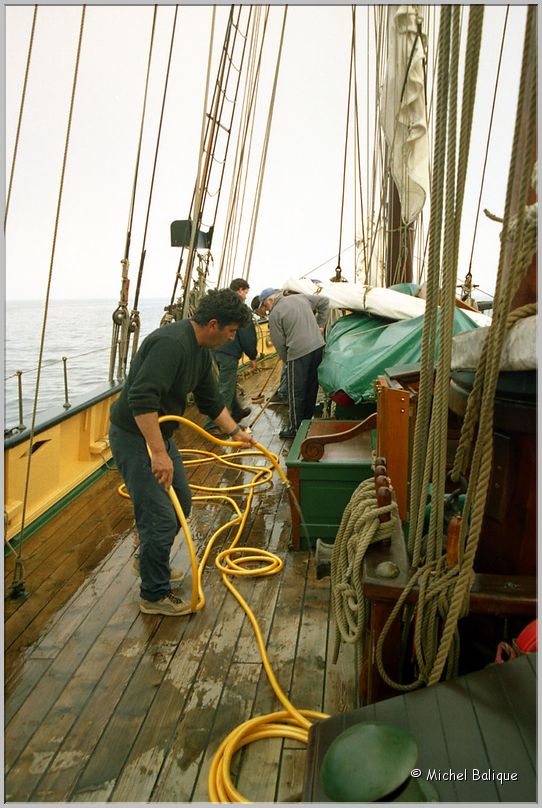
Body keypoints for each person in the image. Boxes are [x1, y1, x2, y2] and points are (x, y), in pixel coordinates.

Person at [109, 288, 254, 616]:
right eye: (231, 332)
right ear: (214, 324)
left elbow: (210, 400)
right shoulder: (171, 344)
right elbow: (141, 399)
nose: (233, 339)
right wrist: (159, 455)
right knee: (159, 515)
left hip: (159, 434)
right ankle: (154, 593)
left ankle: (149, 561)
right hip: (135, 436)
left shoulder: (201, 350)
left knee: (182, 502)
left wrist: (236, 432)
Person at [259, 287, 329, 439]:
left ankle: (295, 428)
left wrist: (287, 360)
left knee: (295, 391)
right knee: (311, 386)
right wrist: (320, 326)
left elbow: (278, 343)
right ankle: (306, 421)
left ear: (270, 300)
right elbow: (324, 301)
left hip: (298, 353)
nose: (265, 310)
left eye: (264, 306)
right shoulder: (302, 298)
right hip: (317, 347)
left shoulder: (275, 314)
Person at [204, 278, 257, 435]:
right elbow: (247, 335)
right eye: (246, 292)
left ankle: (236, 411)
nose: (246, 296)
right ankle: (212, 425)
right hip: (228, 352)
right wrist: (252, 356)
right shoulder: (239, 309)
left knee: (227, 383)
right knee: (225, 387)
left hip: (214, 349)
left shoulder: (220, 304)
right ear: (240, 290)